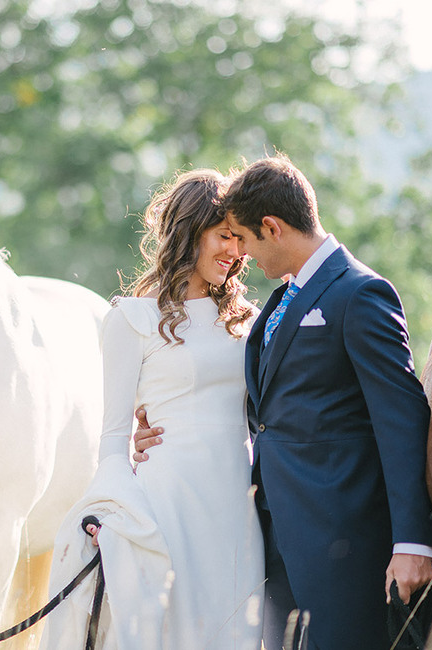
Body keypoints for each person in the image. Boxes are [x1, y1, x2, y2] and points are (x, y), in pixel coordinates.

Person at [134, 154, 432, 650]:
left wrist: (414, 540)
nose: (242, 255)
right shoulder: (279, 303)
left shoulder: (360, 294)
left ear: (272, 228)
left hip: (344, 544)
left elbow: (402, 417)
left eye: (246, 239)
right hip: (275, 541)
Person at [40, 169, 265, 649]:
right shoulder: (132, 319)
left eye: (239, 239)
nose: (235, 251)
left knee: (236, 628)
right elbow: (114, 439)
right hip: (167, 501)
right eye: (224, 235)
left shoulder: (247, 321)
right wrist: (111, 515)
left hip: (237, 499)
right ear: (189, 232)